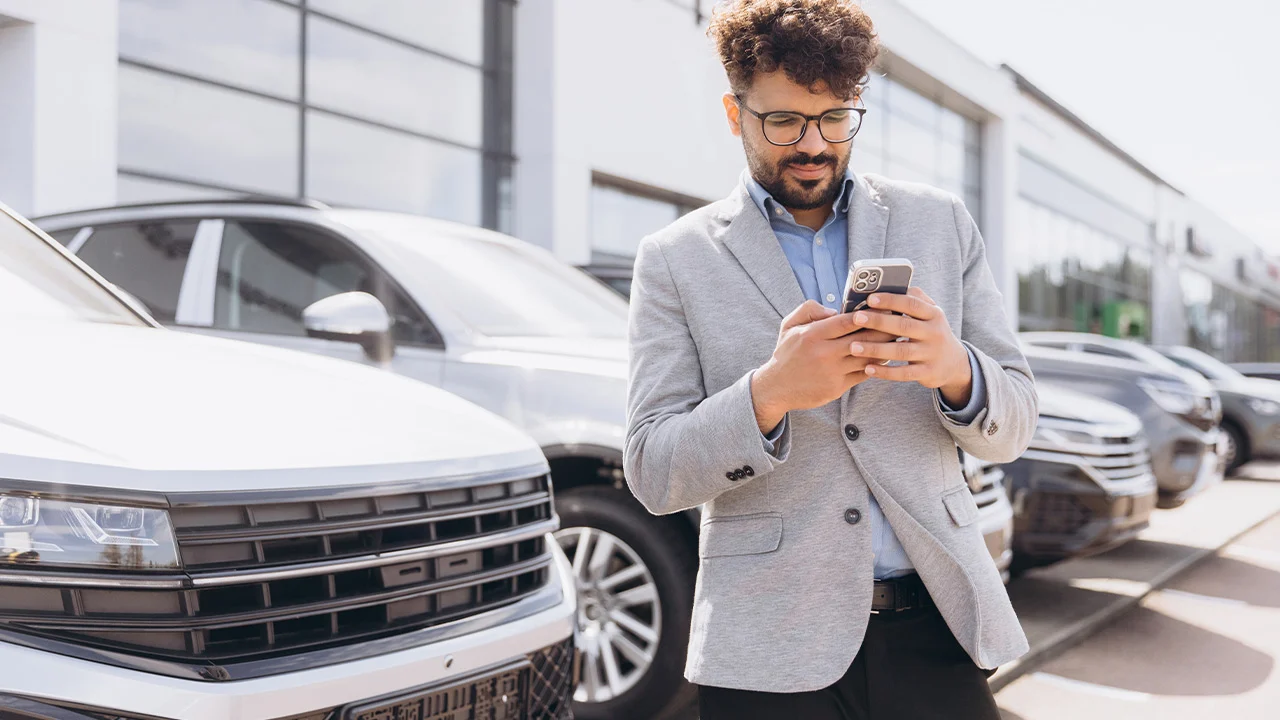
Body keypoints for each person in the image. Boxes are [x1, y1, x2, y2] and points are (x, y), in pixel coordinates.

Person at [622, 1, 1037, 717]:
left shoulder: (939, 221)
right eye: (784, 121)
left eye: (836, 118)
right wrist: (769, 395)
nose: (813, 144)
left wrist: (955, 369)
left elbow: (1017, 422)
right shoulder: (673, 259)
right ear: (735, 113)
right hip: (767, 645)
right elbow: (652, 471)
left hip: (939, 626)